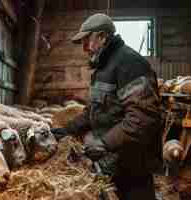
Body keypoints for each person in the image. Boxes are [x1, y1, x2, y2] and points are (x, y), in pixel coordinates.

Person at [51, 13, 162, 200]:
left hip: (133, 163)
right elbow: (93, 111)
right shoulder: (104, 67)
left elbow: (142, 118)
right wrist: (66, 130)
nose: (84, 48)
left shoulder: (129, 63)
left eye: (87, 40)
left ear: (102, 37)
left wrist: (104, 143)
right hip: (114, 160)